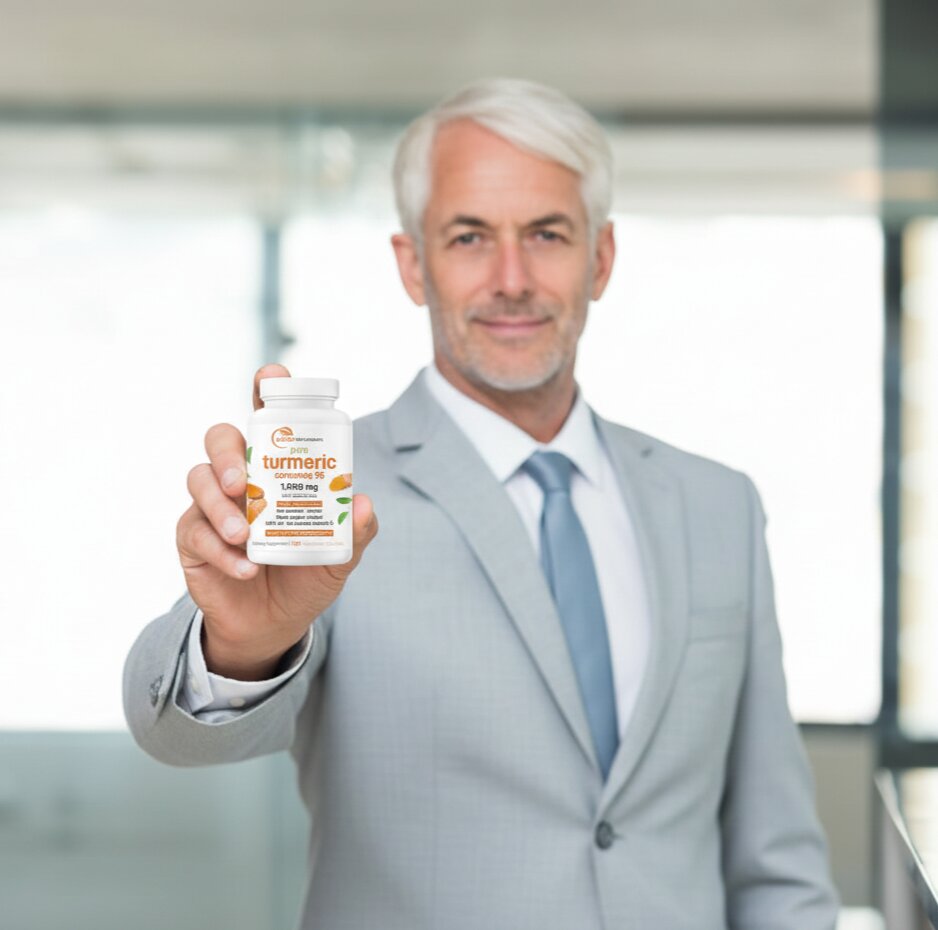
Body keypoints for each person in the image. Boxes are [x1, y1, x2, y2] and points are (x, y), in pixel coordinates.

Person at [124, 77, 839, 929]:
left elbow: (777, 859)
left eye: (547, 234)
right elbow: (174, 730)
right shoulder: (329, 499)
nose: (512, 278)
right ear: (412, 265)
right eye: (469, 237)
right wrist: (242, 642)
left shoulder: (718, 505)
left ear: (601, 258)